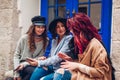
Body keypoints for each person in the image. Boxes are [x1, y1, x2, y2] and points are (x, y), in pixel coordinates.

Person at [53, 13, 113, 80]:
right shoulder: (83, 44)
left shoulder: (96, 45)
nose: (71, 32)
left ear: (80, 30)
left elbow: (100, 72)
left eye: (73, 30)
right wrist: (72, 61)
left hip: (96, 78)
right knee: (59, 73)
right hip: (86, 75)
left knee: (61, 75)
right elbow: (86, 64)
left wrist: (78, 66)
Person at [13, 16, 51, 80]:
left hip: (36, 64)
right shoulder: (24, 38)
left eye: (42, 27)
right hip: (22, 65)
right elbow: (16, 55)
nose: (41, 29)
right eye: (38, 27)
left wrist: (39, 59)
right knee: (33, 71)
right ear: (33, 27)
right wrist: (16, 73)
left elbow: (40, 58)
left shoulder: (46, 40)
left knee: (43, 72)